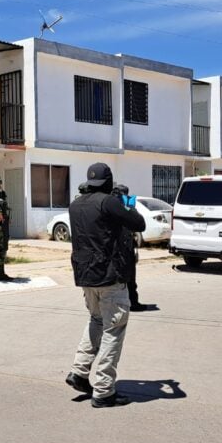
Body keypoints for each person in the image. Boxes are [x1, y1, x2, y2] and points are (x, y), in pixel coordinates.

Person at [65, 163, 146, 408]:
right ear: (108, 181)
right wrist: (123, 202)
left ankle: (79, 372)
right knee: (113, 329)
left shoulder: (75, 204)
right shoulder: (108, 202)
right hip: (110, 277)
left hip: (86, 276)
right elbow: (138, 223)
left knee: (96, 321)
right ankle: (103, 390)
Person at [111, 184, 157, 312]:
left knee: (130, 277)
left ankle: (132, 302)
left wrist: (130, 208)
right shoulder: (111, 206)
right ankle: (127, 303)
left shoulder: (125, 207)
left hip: (126, 243)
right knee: (125, 277)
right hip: (119, 245)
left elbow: (138, 224)